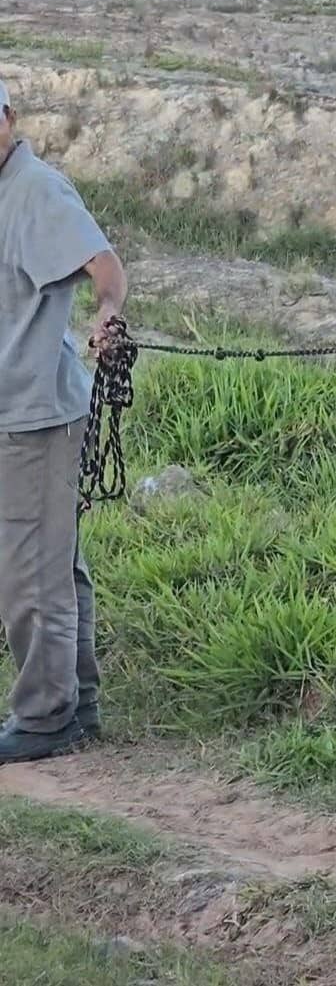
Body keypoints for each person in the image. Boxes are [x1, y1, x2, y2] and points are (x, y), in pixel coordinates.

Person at [0, 76, 127, 762]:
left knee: (29, 572)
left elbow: (104, 264)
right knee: (53, 559)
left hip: (39, 414)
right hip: (12, 410)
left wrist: (109, 312)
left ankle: (47, 716)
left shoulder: (38, 189)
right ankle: (77, 700)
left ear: (8, 116)